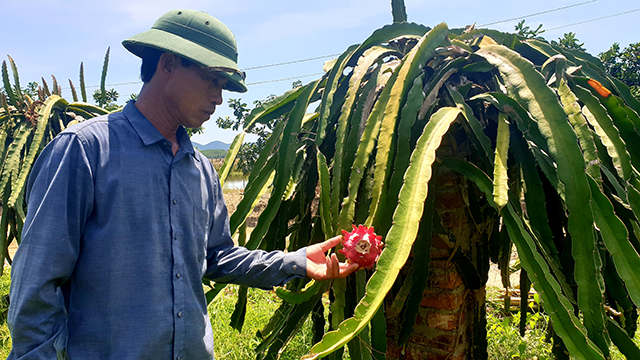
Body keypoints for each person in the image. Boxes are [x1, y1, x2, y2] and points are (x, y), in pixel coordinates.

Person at [7, 9, 358, 360]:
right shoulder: (85, 150)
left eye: (223, 86)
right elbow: (36, 286)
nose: (219, 98)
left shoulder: (201, 169)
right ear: (169, 64)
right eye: (212, 80)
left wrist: (293, 262)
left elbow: (218, 256)